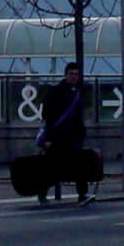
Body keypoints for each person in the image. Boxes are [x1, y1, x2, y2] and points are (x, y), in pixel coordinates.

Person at [36, 62, 93, 206]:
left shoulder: (78, 92)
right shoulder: (56, 91)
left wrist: (81, 133)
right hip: (57, 136)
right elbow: (48, 115)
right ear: (66, 75)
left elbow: (78, 115)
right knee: (53, 166)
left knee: (79, 164)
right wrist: (48, 137)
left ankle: (82, 194)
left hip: (73, 135)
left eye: (76, 74)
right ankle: (42, 194)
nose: (74, 77)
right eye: (71, 74)